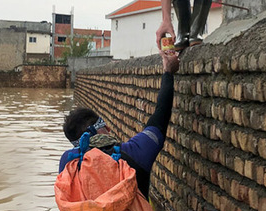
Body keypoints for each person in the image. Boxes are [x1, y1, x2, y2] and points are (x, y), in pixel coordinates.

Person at [59, 49, 179, 200]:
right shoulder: (133, 154)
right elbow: (160, 117)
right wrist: (168, 72)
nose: (109, 128)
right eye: (104, 125)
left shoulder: (67, 162)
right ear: (101, 130)